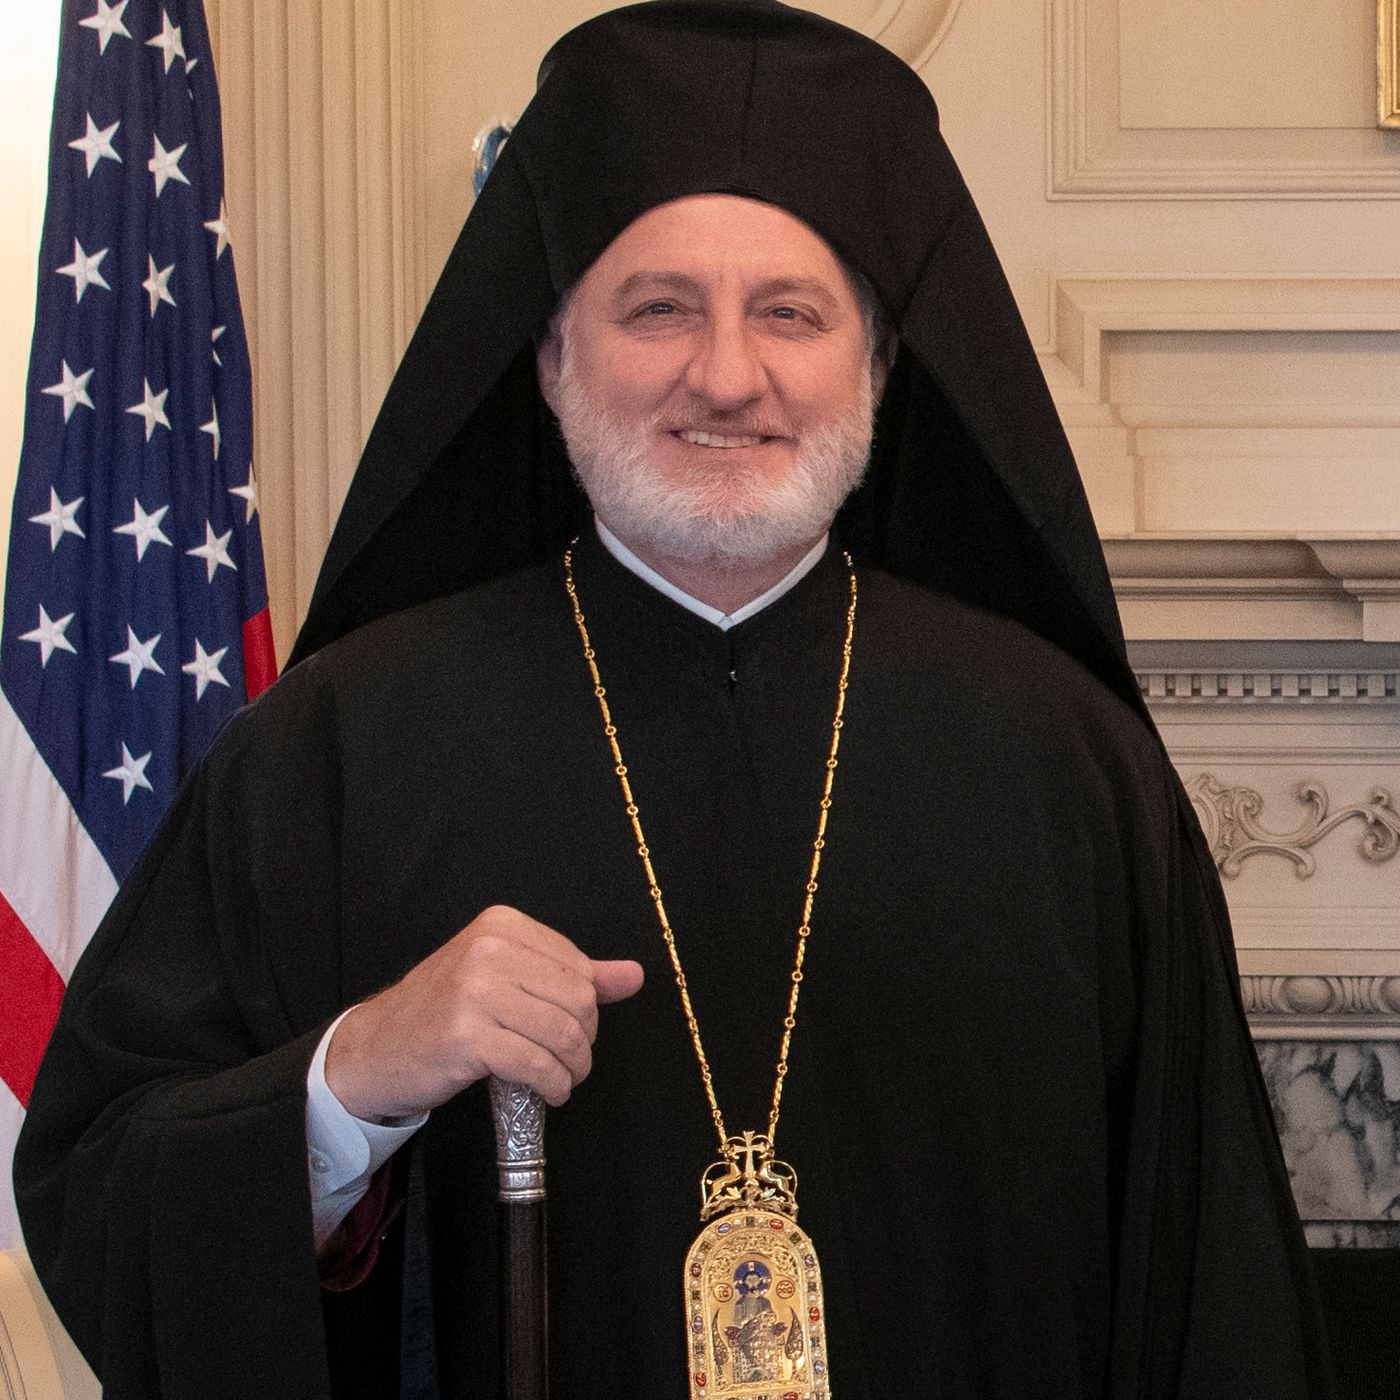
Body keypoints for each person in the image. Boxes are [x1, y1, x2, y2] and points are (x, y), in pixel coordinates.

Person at [15, 2, 1335, 1398]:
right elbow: (104, 1194)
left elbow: (1214, 1300)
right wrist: (356, 1076)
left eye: (790, 313)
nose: (726, 374)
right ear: (548, 356)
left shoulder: (1071, 771)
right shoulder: (341, 750)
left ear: (879, 364)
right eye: (658, 308)